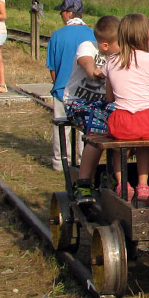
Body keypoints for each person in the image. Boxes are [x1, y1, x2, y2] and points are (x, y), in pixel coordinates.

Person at [104, 13, 149, 204]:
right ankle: (143, 184)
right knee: (145, 145)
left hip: (123, 120)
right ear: (146, 36)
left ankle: (122, 183)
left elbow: (109, 97)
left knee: (118, 149)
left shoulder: (111, 61)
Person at [63, 15, 121, 202]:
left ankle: (111, 174)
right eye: (119, 44)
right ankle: (84, 183)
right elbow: (87, 64)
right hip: (78, 102)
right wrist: (96, 71)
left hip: (106, 103)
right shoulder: (87, 46)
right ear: (105, 46)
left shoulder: (119, 54)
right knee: (97, 127)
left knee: (126, 123)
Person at [47, 0, 96, 172]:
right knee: (86, 127)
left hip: (62, 89)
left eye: (62, 12)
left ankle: (60, 162)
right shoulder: (92, 34)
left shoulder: (57, 36)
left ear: (68, 13)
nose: (61, 15)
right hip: (87, 91)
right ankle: (85, 161)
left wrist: (58, 83)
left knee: (60, 127)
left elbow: (52, 67)